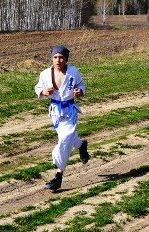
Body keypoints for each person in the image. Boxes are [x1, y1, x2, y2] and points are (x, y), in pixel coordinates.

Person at [35, 45, 90, 192]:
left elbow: (82, 85)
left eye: (61, 57)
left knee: (65, 139)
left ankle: (58, 177)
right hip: (55, 112)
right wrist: (43, 92)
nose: (58, 60)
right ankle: (81, 145)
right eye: (55, 57)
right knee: (69, 138)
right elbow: (38, 88)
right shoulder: (45, 74)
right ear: (52, 58)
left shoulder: (73, 72)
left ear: (66, 59)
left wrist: (80, 91)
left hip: (70, 111)